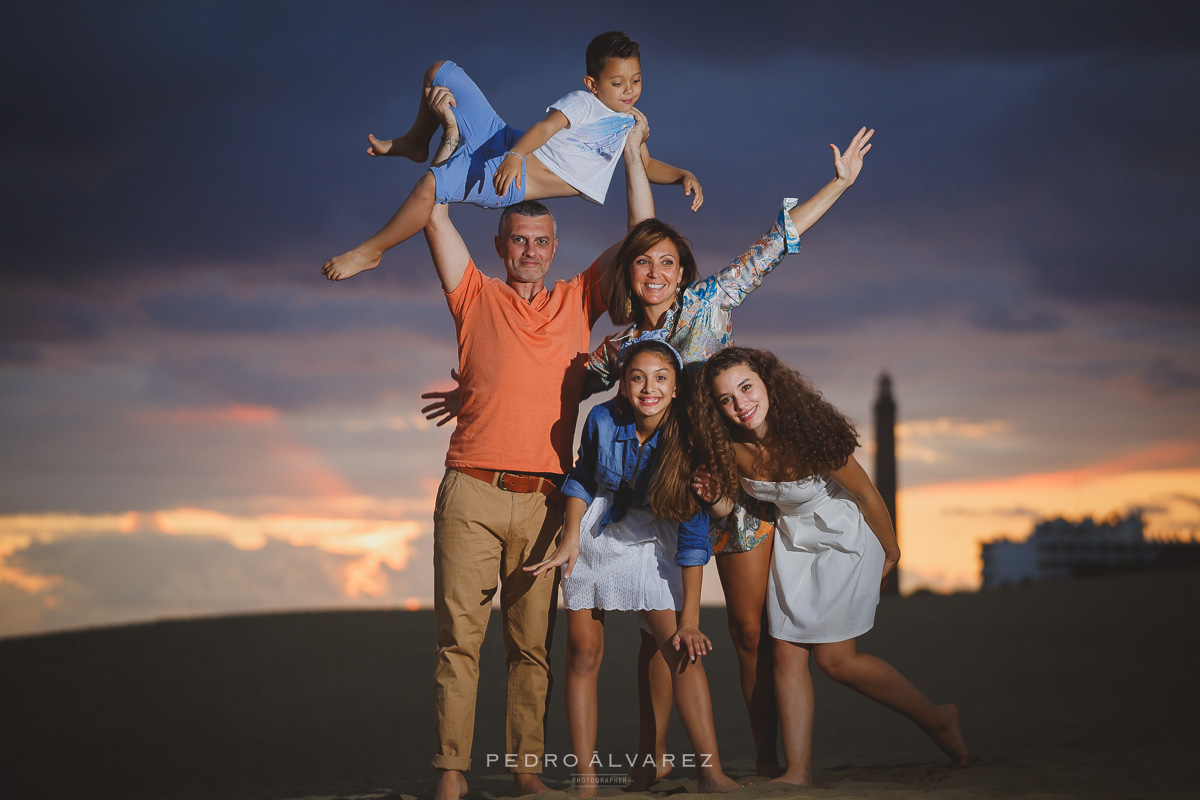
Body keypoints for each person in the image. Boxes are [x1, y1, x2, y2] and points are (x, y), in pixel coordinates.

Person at [423, 125, 874, 779]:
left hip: (731, 491)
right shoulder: (617, 351)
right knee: (656, 637)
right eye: (644, 263)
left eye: (667, 262)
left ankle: (771, 764)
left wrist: (838, 182)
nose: (656, 272)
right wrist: (476, 392)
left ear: (682, 271)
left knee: (750, 634)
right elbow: (550, 379)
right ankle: (651, 760)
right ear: (629, 275)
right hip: (660, 504)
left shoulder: (711, 302)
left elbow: (777, 245)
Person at [417, 85, 655, 800]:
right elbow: (431, 208)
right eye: (517, 240)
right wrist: (451, 136)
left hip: (549, 502)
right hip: (472, 493)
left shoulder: (580, 298)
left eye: (540, 242)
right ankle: (453, 777)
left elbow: (645, 242)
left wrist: (634, 152)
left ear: (555, 250)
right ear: (500, 246)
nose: (528, 251)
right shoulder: (473, 294)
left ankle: (526, 774)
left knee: (532, 650)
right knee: (459, 643)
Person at [690, 347, 971, 785]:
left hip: (843, 533)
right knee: (785, 652)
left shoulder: (807, 432)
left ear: (766, 382)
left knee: (837, 661)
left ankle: (938, 718)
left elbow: (865, 495)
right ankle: (797, 772)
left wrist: (893, 552)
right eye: (726, 398)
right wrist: (713, 499)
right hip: (794, 540)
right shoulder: (728, 445)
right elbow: (729, 506)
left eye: (746, 387)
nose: (740, 404)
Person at [525, 339, 737, 795]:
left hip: (658, 536)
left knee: (680, 648)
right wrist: (571, 536)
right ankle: (586, 782)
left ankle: (711, 772)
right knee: (583, 652)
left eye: (661, 378)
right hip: (597, 528)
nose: (648, 388)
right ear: (623, 383)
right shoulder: (602, 419)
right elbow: (582, 477)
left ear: (676, 387)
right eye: (637, 377)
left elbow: (696, 536)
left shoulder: (689, 439)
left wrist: (693, 619)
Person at [322, 30, 701, 281]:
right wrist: (516, 154)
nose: (629, 90)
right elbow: (545, 128)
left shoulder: (629, 124)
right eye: (617, 83)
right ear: (592, 84)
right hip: (505, 147)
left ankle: (370, 251)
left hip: (505, 182)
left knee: (429, 186)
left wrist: (682, 173)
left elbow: (646, 166)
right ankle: (416, 141)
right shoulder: (584, 103)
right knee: (442, 71)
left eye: (636, 80)